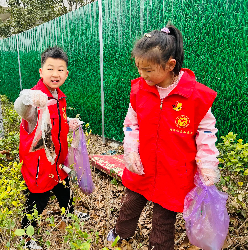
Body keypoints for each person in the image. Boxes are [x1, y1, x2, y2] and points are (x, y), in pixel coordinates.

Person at [107, 24, 221, 249]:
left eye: (148, 70)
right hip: (143, 166)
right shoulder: (140, 90)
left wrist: (208, 165)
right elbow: (132, 123)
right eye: (139, 68)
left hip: (174, 172)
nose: (142, 75)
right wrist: (130, 148)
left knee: (164, 219)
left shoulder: (196, 97)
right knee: (130, 204)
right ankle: (121, 233)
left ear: (170, 65)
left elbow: (206, 132)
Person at [14, 46, 88, 249]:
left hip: (57, 161)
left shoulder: (59, 96)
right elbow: (21, 109)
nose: (55, 74)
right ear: (41, 71)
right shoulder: (36, 99)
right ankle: (26, 237)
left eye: (60, 69)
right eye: (50, 68)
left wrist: (69, 122)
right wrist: (27, 97)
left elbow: (57, 123)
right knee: (38, 200)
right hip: (40, 166)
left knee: (65, 190)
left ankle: (69, 214)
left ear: (66, 73)